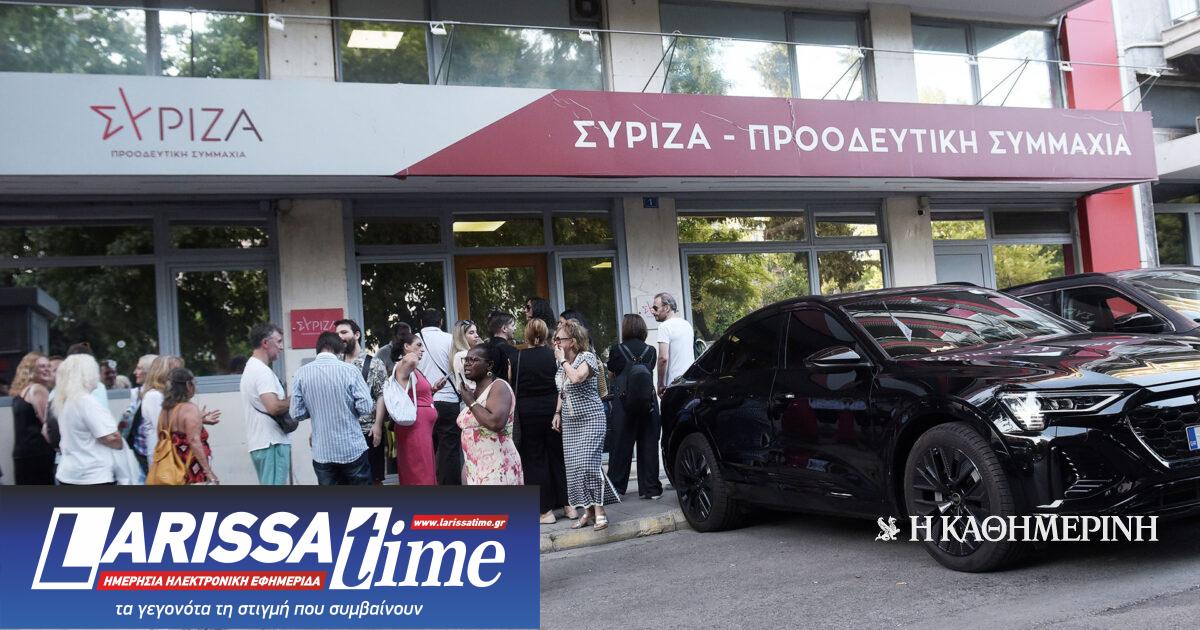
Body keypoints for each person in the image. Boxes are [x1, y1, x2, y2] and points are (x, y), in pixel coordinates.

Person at [290, 331, 377, 486]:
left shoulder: (301, 374)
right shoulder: (350, 370)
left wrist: (316, 410)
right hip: (352, 447)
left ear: (319, 348)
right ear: (337, 348)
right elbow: (366, 407)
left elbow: (296, 413)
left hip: (322, 451)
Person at [554, 319, 617, 530]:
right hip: (570, 422)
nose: (556, 343)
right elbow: (563, 389)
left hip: (591, 418)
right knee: (575, 469)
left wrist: (563, 361)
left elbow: (577, 378)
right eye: (555, 339)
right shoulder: (562, 362)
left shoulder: (586, 357)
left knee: (588, 464)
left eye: (559, 339)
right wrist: (557, 412)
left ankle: (600, 511)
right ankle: (588, 511)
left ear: (572, 341)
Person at [513, 319, 573, 522]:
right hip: (553, 410)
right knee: (559, 457)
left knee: (534, 460)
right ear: (546, 334)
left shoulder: (516, 357)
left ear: (526, 335)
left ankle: (545, 511)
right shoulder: (554, 355)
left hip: (527, 413)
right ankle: (569, 506)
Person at [606, 314, 664, 499]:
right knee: (649, 444)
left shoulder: (617, 349)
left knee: (620, 446)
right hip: (648, 403)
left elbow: (612, 373)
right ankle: (650, 489)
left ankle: (616, 488)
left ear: (625, 329)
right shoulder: (651, 350)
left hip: (624, 404)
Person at [52, 354, 125, 485]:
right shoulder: (86, 401)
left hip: (70, 472)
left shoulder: (66, 400)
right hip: (93, 474)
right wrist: (120, 442)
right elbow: (110, 438)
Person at [378, 327, 438, 485]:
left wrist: (433, 389)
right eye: (418, 345)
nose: (422, 350)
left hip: (421, 427)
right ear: (406, 346)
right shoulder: (404, 365)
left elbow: (414, 391)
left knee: (424, 467)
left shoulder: (411, 369)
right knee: (419, 470)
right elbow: (411, 360)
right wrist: (410, 354)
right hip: (415, 428)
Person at [457, 345, 523, 485]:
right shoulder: (473, 392)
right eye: (466, 360)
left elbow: (495, 423)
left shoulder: (499, 386)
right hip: (475, 469)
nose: (467, 363)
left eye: (473, 360)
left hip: (498, 469)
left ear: (489, 365)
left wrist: (470, 402)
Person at [336, 318, 389, 485]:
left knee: (374, 480)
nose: (340, 337)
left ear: (357, 335)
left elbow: (381, 395)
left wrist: (378, 425)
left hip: (368, 431)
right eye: (337, 334)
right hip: (341, 433)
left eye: (344, 332)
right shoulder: (335, 363)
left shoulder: (374, 363)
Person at [241, 322, 292, 485]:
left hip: (263, 442)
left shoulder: (252, 367)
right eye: (279, 341)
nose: (281, 347)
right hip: (271, 442)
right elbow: (273, 407)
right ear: (265, 343)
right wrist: (296, 398)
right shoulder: (262, 371)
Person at [416, 308, 461, 486]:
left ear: (421, 323)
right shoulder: (450, 339)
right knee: (450, 450)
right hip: (449, 401)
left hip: (423, 404)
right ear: (440, 322)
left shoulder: (414, 341)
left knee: (425, 450)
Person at [159, 367, 220, 484]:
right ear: (188, 385)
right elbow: (194, 441)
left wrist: (200, 420)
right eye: (194, 383)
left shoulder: (165, 409)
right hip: (191, 467)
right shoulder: (189, 409)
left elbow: (175, 430)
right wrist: (208, 471)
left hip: (173, 466)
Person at [10, 352, 55, 484]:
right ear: (31, 370)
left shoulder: (22, 392)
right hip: (38, 453)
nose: (47, 369)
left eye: (48, 366)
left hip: (22, 453)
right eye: (42, 366)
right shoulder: (38, 389)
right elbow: (48, 424)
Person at [137, 355, 184, 469]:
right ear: (163, 373)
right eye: (176, 370)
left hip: (170, 453)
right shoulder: (154, 396)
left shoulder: (165, 394)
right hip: (163, 456)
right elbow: (163, 427)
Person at [653, 292, 695, 397]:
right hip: (690, 380)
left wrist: (660, 384)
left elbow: (663, 358)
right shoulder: (687, 325)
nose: (653, 311)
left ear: (667, 308)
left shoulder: (664, 327)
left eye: (655, 308)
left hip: (674, 384)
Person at [119, 353, 157, 470]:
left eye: (139, 368)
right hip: (138, 451)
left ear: (150, 371)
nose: (135, 372)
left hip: (154, 454)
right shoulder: (136, 393)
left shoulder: (158, 395)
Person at [482, 311, 518, 382]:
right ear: (504, 328)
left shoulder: (482, 348)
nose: (515, 328)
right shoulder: (510, 350)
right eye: (513, 325)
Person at [451, 319, 482, 396]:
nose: (476, 335)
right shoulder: (462, 355)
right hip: (473, 396)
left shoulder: (460, 354)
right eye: (471, 333)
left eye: (476, 332)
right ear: (462, 337)